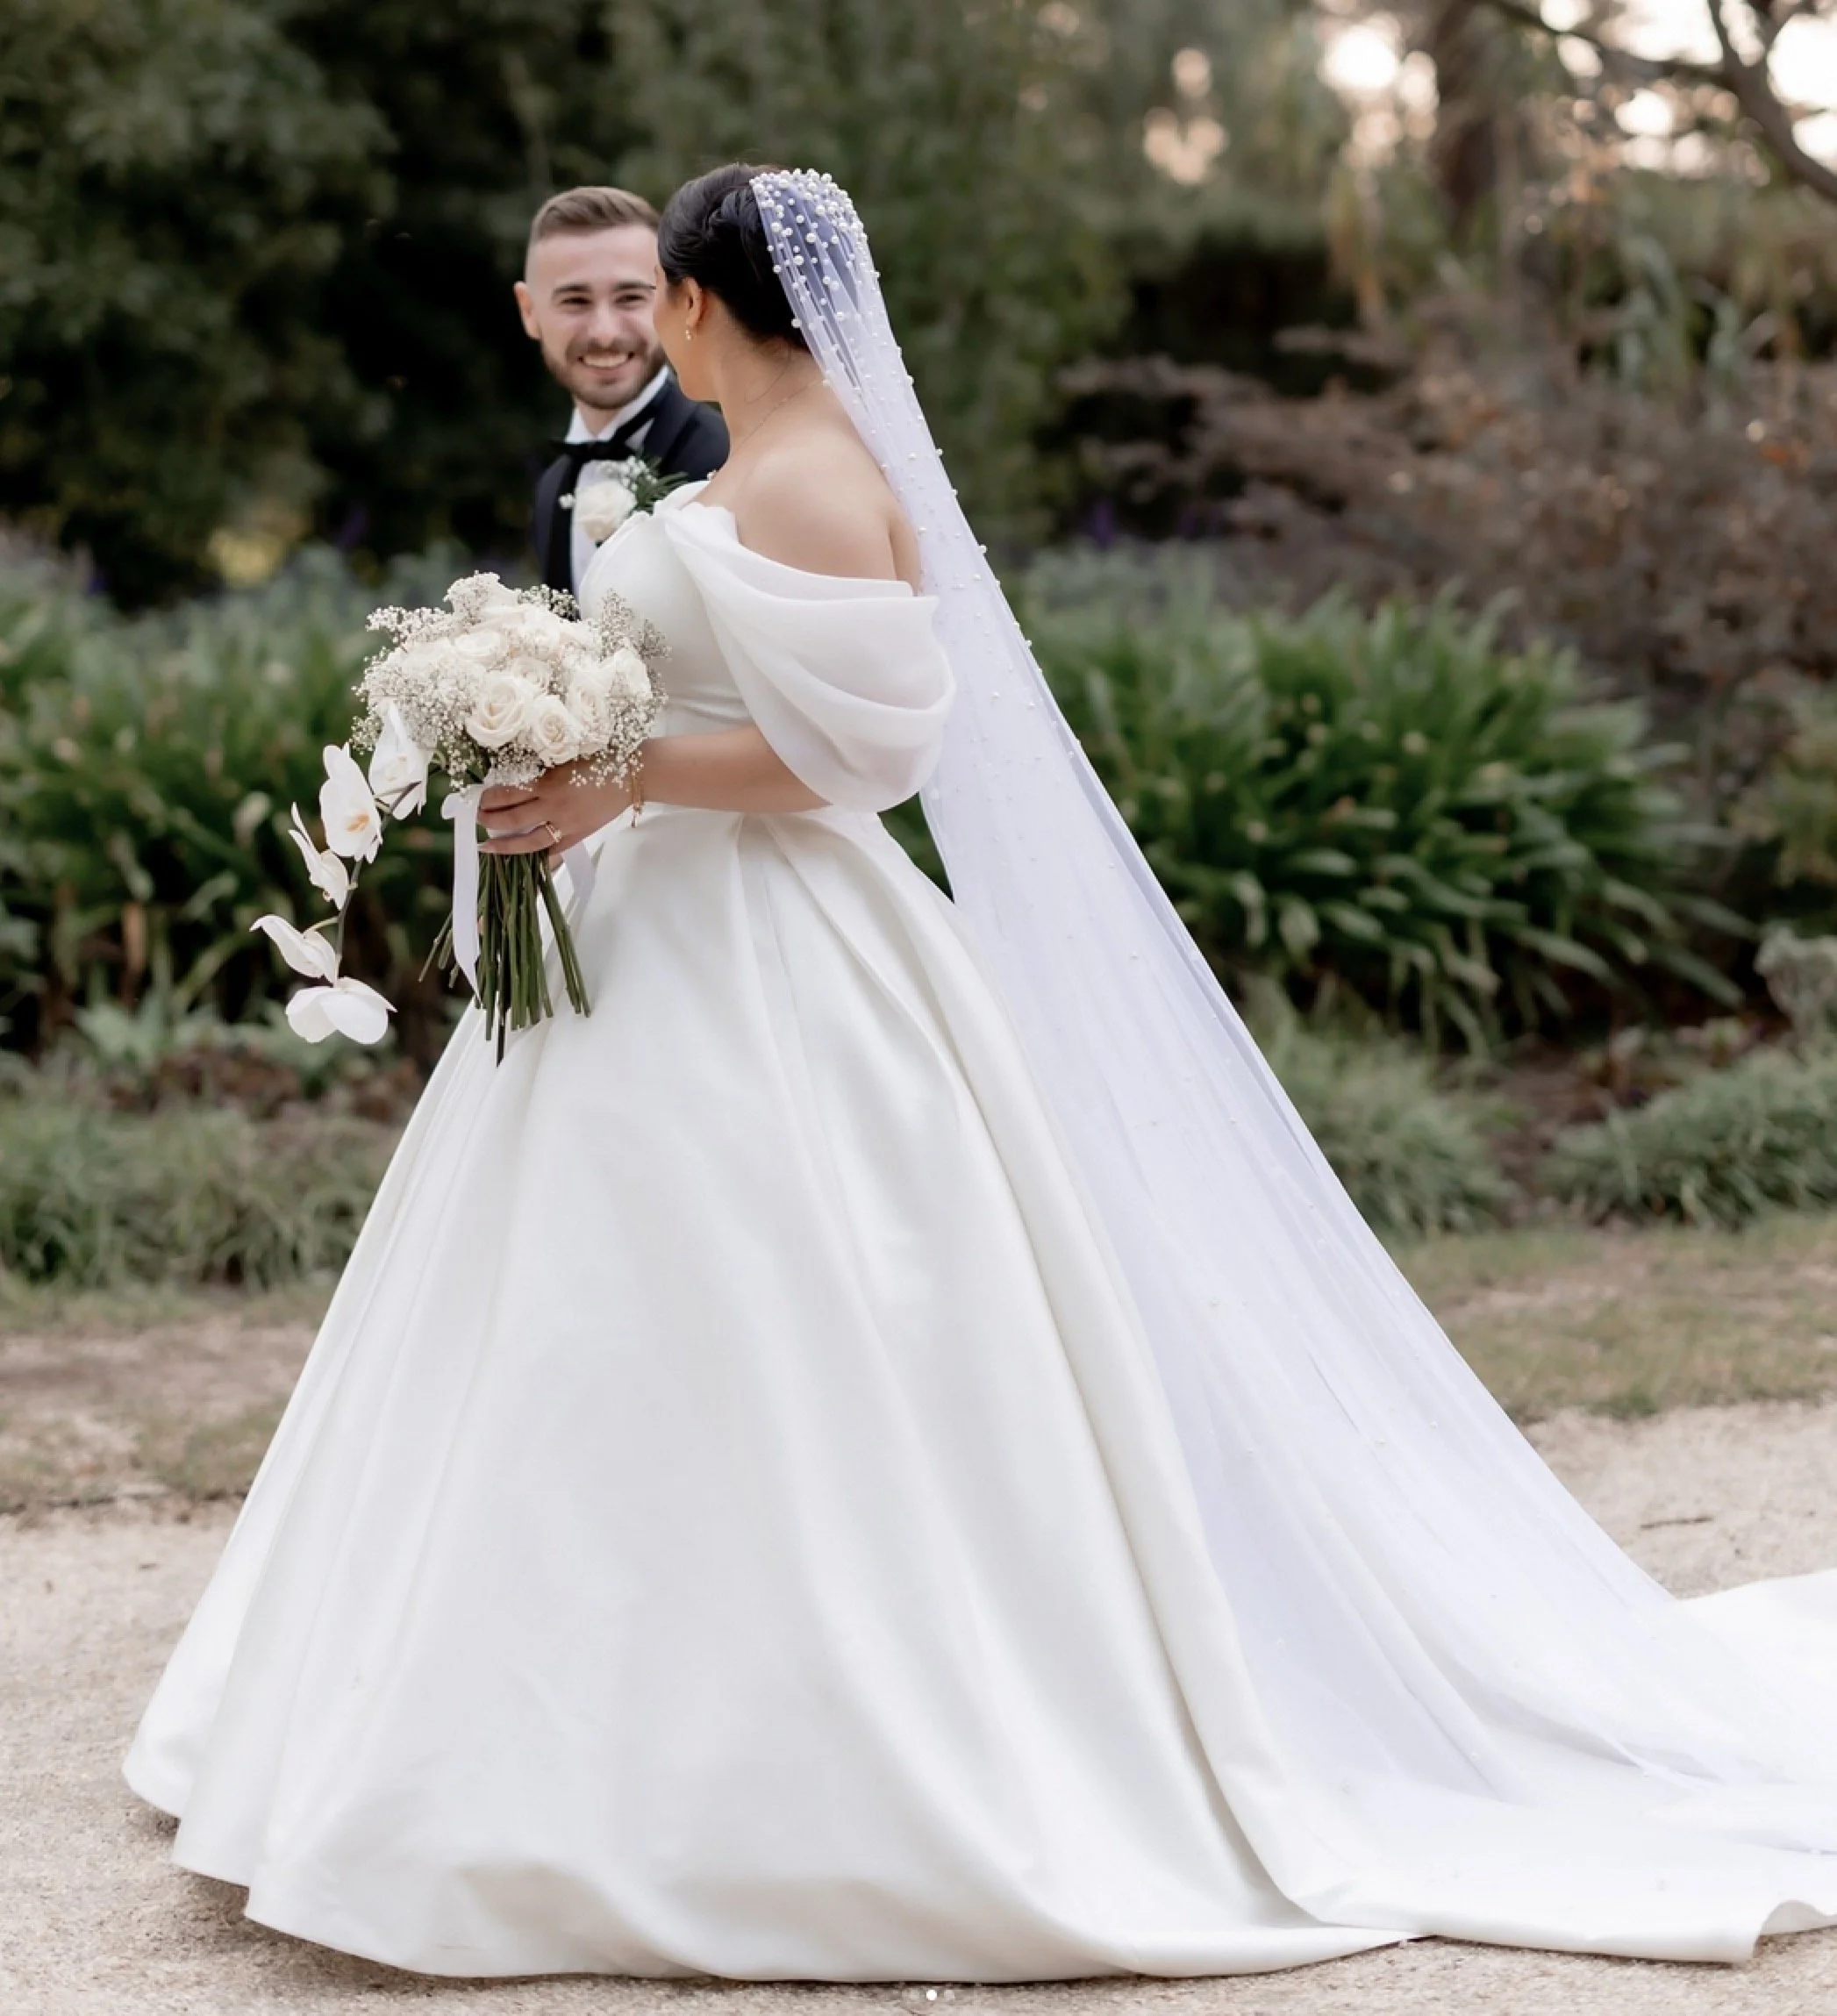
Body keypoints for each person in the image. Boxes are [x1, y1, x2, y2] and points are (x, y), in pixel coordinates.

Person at [126, 165, 1837, 1983]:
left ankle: (729, 1766)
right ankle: (475, 1724)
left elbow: (862, 754)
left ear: (701, 307)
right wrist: (562, 752)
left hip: (780, 951)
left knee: (761, 1328)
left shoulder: (823, 482)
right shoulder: (764, 466)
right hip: (652, 942)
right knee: (557, 1326)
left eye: (660, 301)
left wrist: (619, 775)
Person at [518, 186, 727, 603]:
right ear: (529, 312)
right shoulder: (552, 488)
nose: (605, 333)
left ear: (678, 301)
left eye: (630, 298)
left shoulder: (727, 462)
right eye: (575, 301)